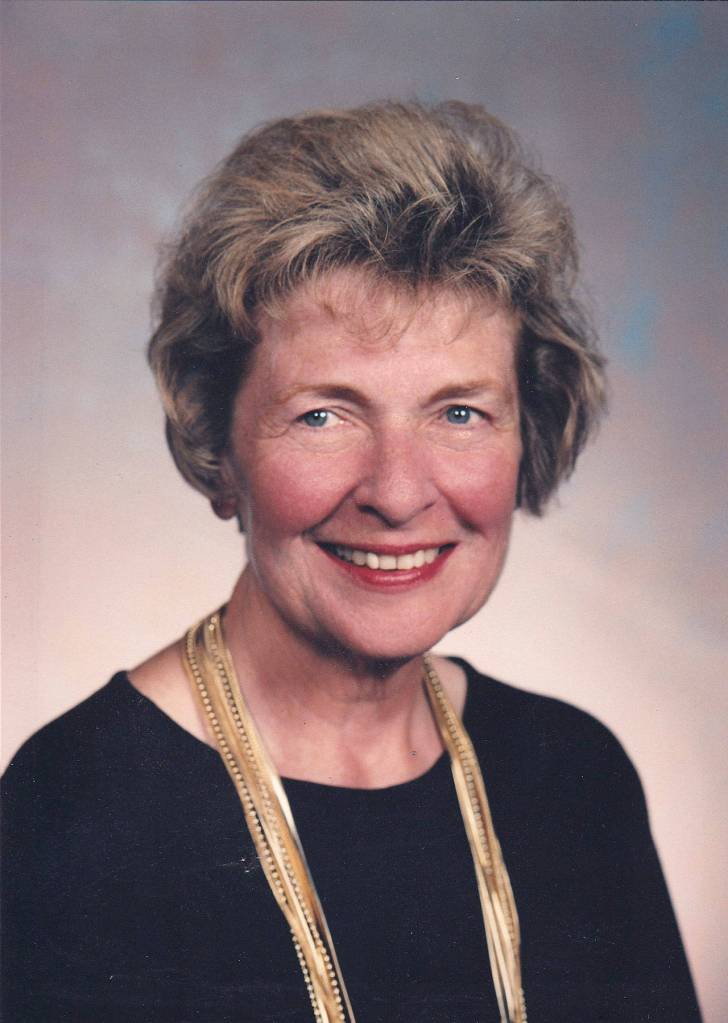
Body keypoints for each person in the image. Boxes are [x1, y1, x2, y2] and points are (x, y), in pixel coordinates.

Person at [1, 101, 701, 1023]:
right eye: (324, 414)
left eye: (459, 411)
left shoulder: (575, 780)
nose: (398, 492)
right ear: (219, 447)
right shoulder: (74, 809)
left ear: (528, 436)